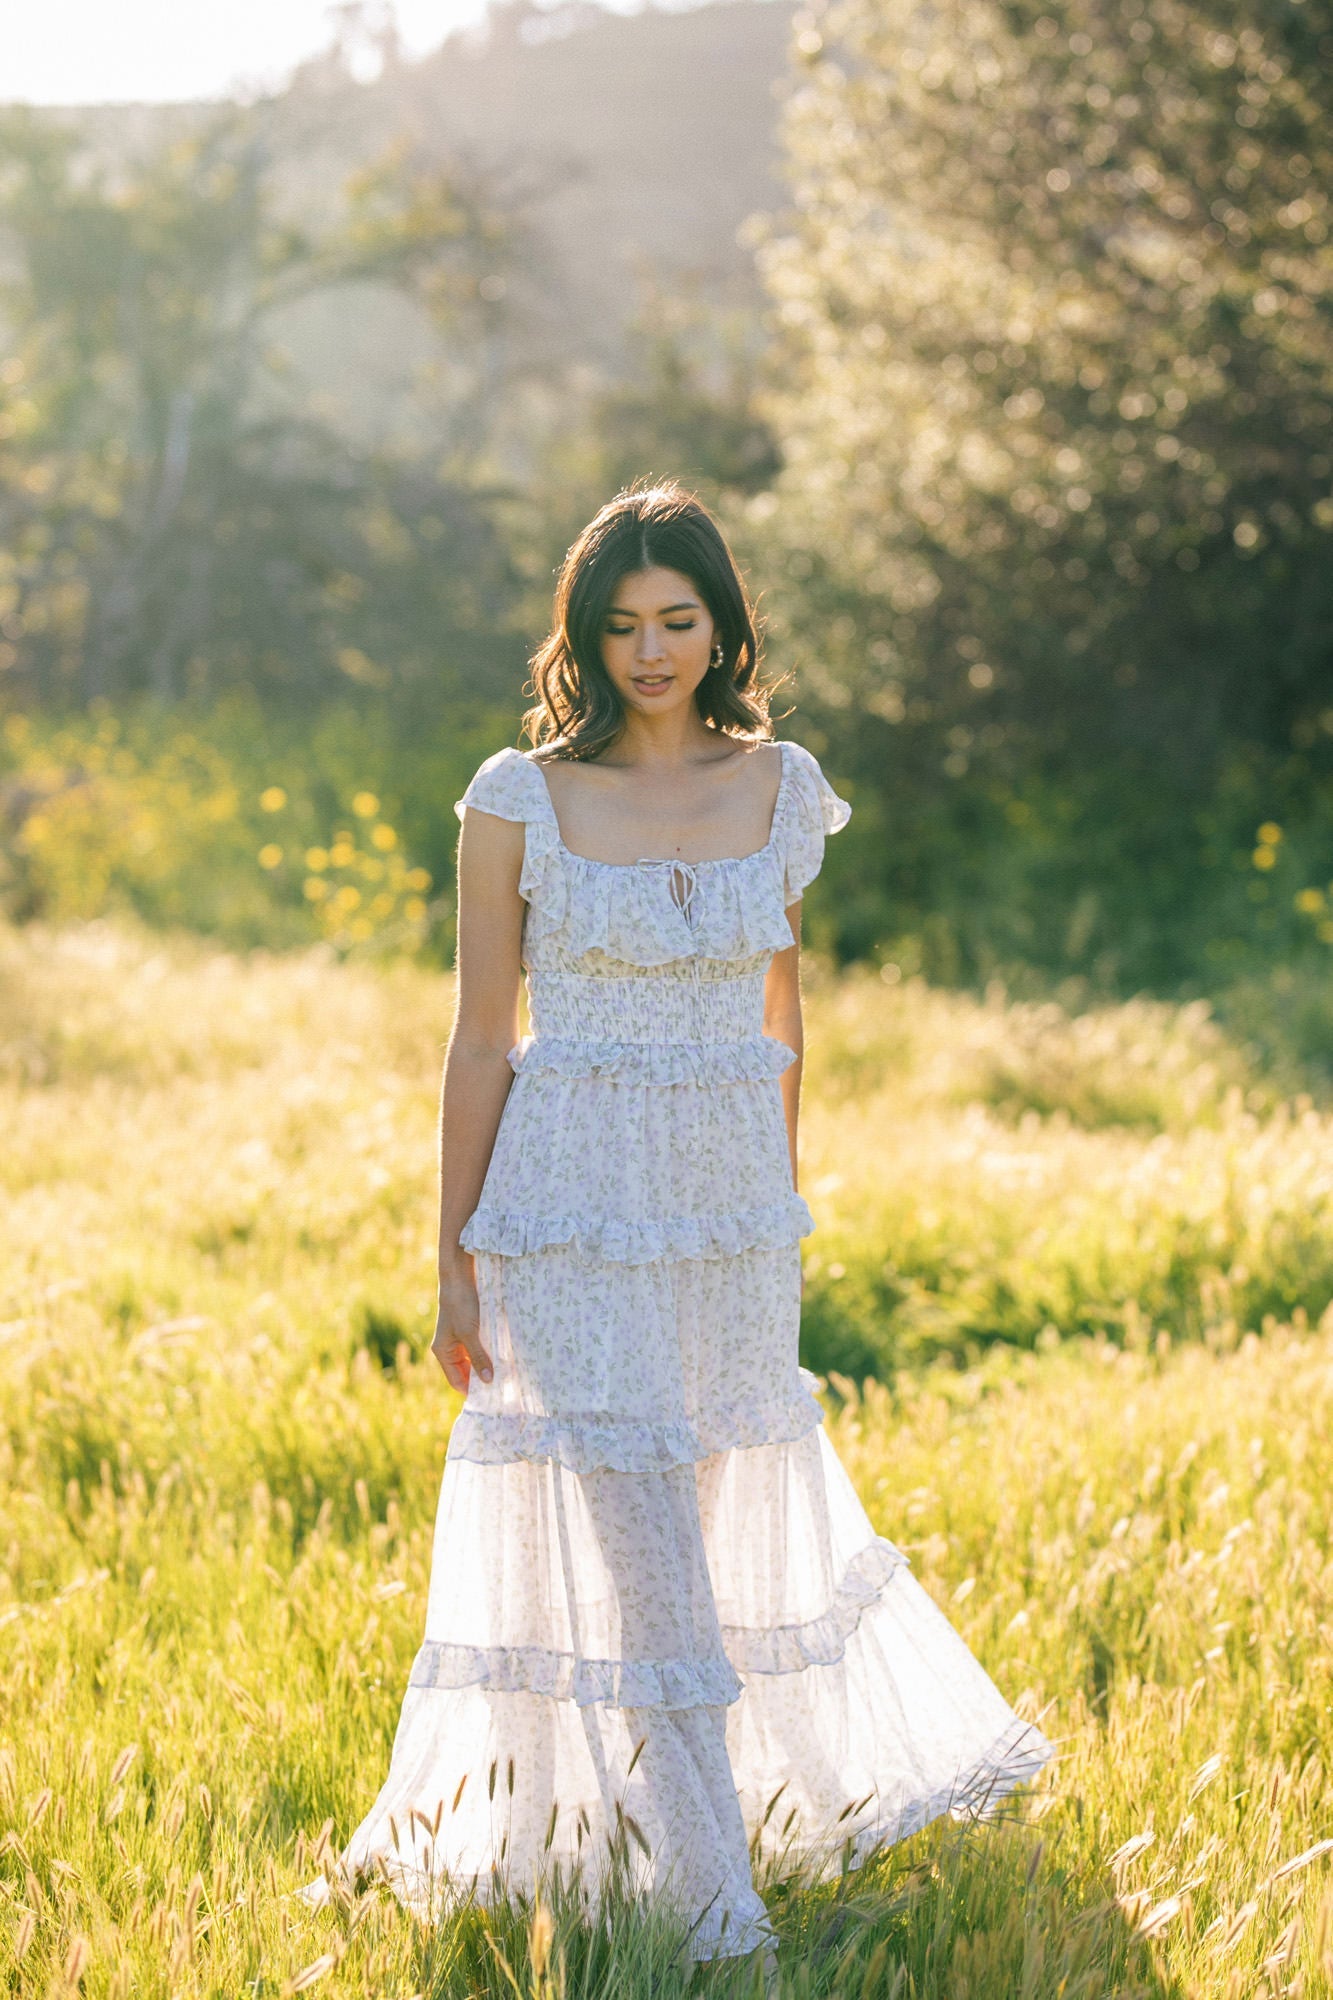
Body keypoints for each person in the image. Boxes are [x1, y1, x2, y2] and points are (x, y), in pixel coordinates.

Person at [305, 481, 1052, 1970]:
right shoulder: (515, 797)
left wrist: (772, 1203)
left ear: (721, 629)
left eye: (677, 621)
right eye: (621, 626)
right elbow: (475, 1043)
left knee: (700, 1556)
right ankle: (719, 1915)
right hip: (565, 1212)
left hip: (725, 1227)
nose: (650, 652)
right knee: (646, 1551)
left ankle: (654, 1835)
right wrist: (449, 1257)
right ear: (583, 638)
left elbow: (786, 1011)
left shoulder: (783, 783)